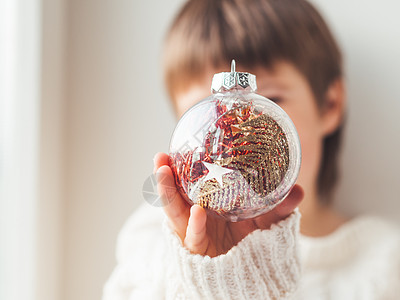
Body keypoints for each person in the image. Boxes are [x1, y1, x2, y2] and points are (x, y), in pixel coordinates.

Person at [102, 0, 400, 299]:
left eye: (270, 100)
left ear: (329, 104)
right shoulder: (150, 242)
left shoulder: (385, 265)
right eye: (208, 117)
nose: (231, 148)